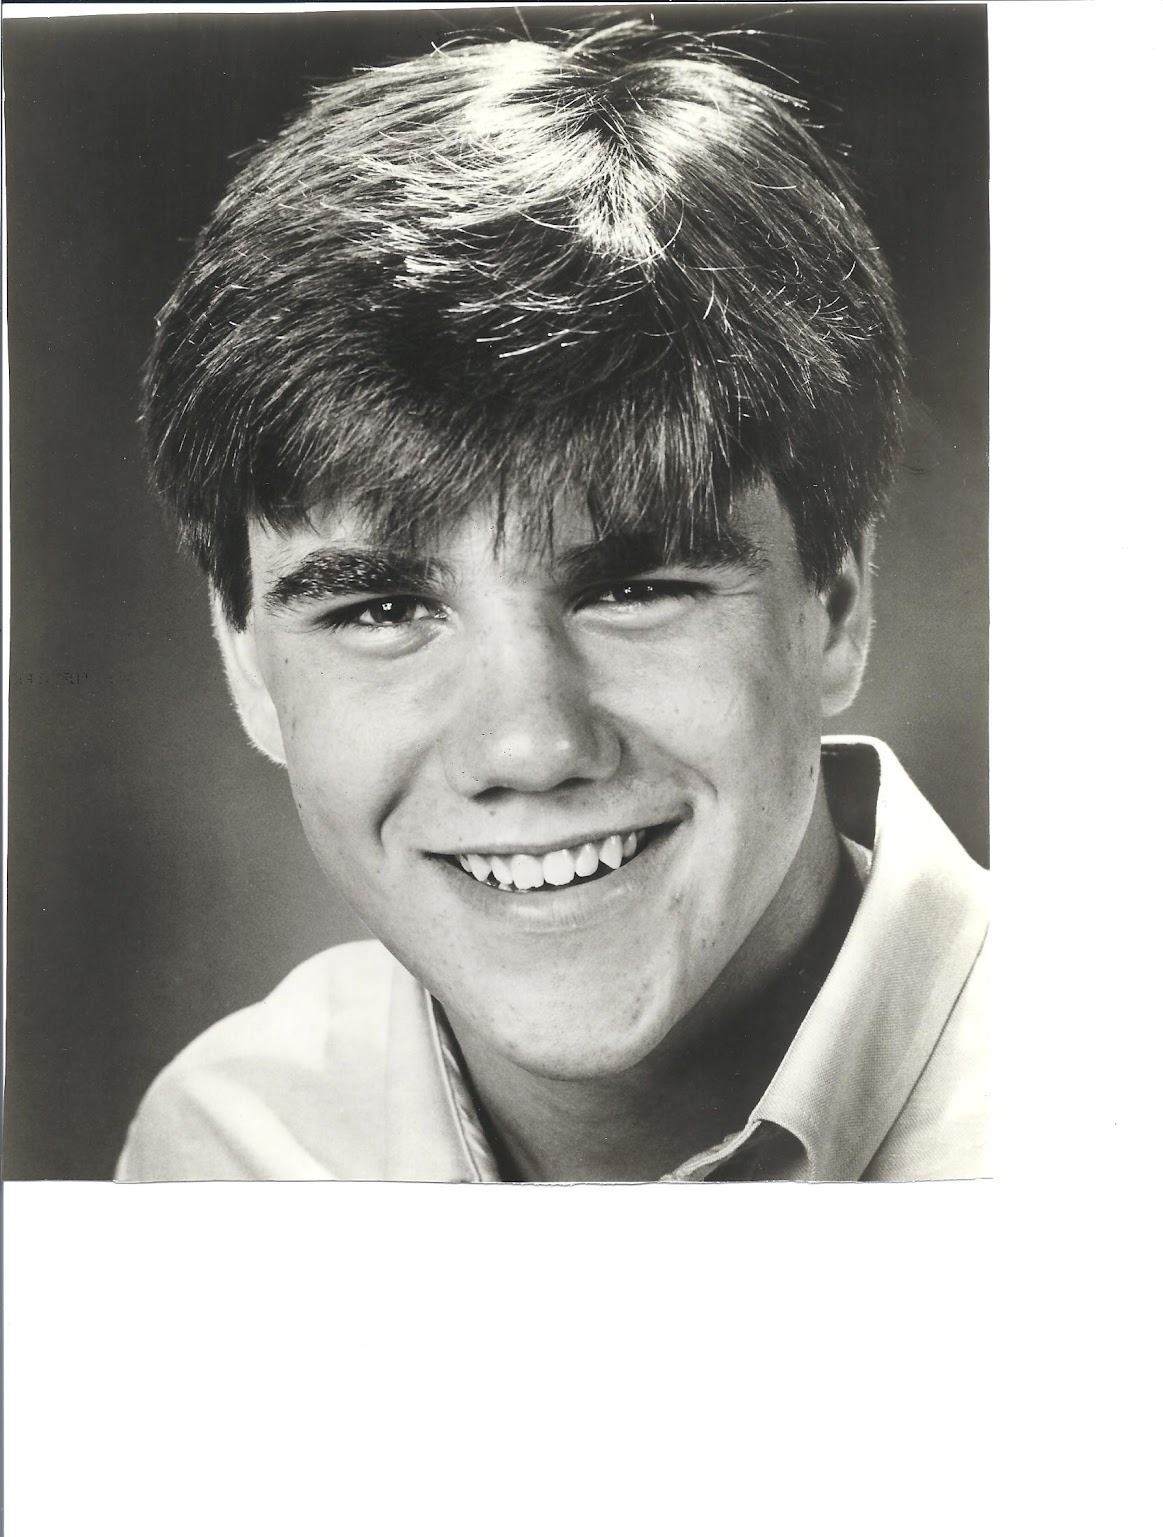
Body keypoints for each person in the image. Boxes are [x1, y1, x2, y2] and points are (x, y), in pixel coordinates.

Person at [116, 18, 988, 1183]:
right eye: (379, 610)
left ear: (832, 604)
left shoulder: (1106, 1104)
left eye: (633, 588)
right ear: (247, 664)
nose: (528, 747)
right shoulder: (224, 1151)